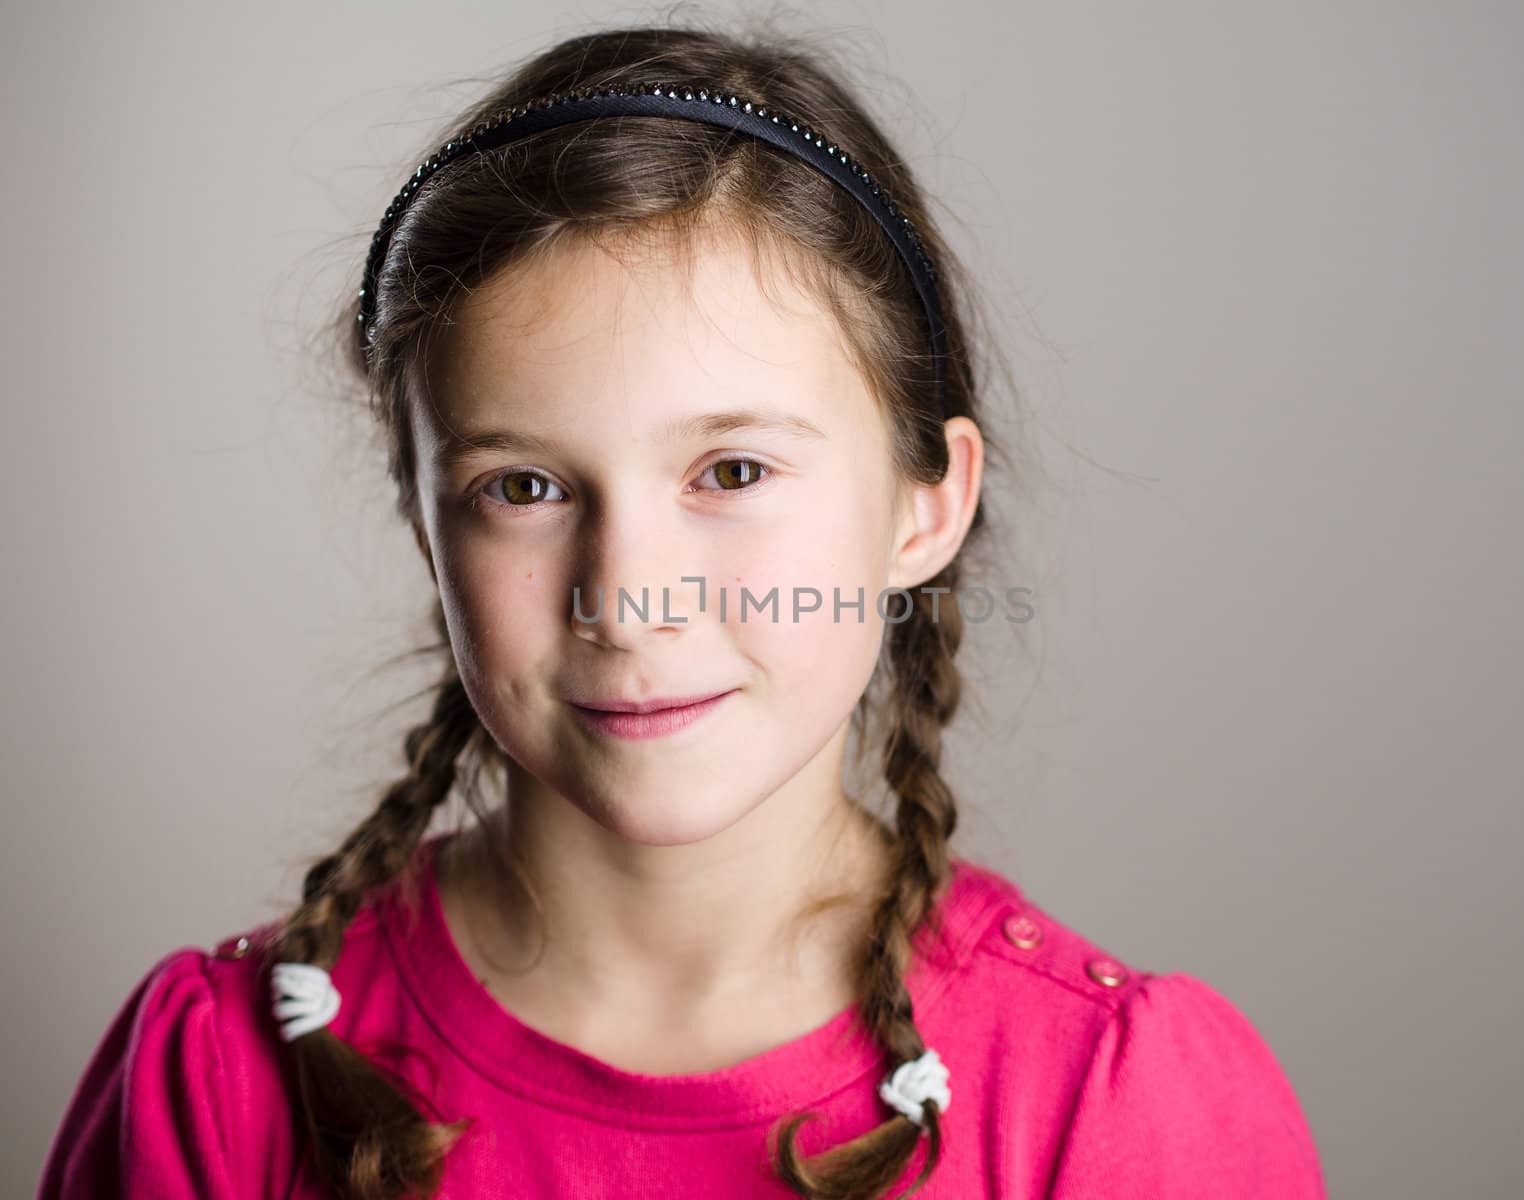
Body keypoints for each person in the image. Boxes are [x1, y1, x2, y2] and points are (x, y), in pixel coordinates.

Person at [37, 20, 1326, 1200]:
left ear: (923, 507)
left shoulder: (1109, 1104)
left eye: (733, 473)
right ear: (424, 521)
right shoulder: (225, 1079)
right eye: (524, 485)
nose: (628, 599)